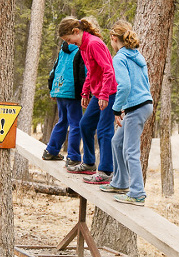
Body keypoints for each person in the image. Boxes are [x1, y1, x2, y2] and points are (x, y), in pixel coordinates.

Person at [58, 16, 117, 184]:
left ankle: (106, 171)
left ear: (76, 31)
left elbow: (108, 71)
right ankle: (89, 163)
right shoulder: (83, 47)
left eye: (69, 40)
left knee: (104, 130)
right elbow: (91, 72)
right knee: (85, 125)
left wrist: (105, 95)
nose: (70, 44)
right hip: (98, 92)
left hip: (109, 92)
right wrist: (85, 92)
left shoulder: (93, 44)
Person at [99, 20, 153, 206]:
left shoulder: (120, 58)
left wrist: (116, 109)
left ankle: (137, 192)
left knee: (131, 151)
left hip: (137, 107)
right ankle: (121, 182)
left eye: (110, 40)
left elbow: (125, 86)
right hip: (144, 104)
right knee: (117, 141)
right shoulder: (137, 55)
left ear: (114, 38)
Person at [42, 40, 86, 168]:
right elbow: (83, 72)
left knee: (62, 120)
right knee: (75, 124)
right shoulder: (80, 50)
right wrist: (85, 92)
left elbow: (53, 70)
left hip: (59, 90)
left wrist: (52, 88)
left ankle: (51, 150)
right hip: (72, 92)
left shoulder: (62, 50)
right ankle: (73, 156)